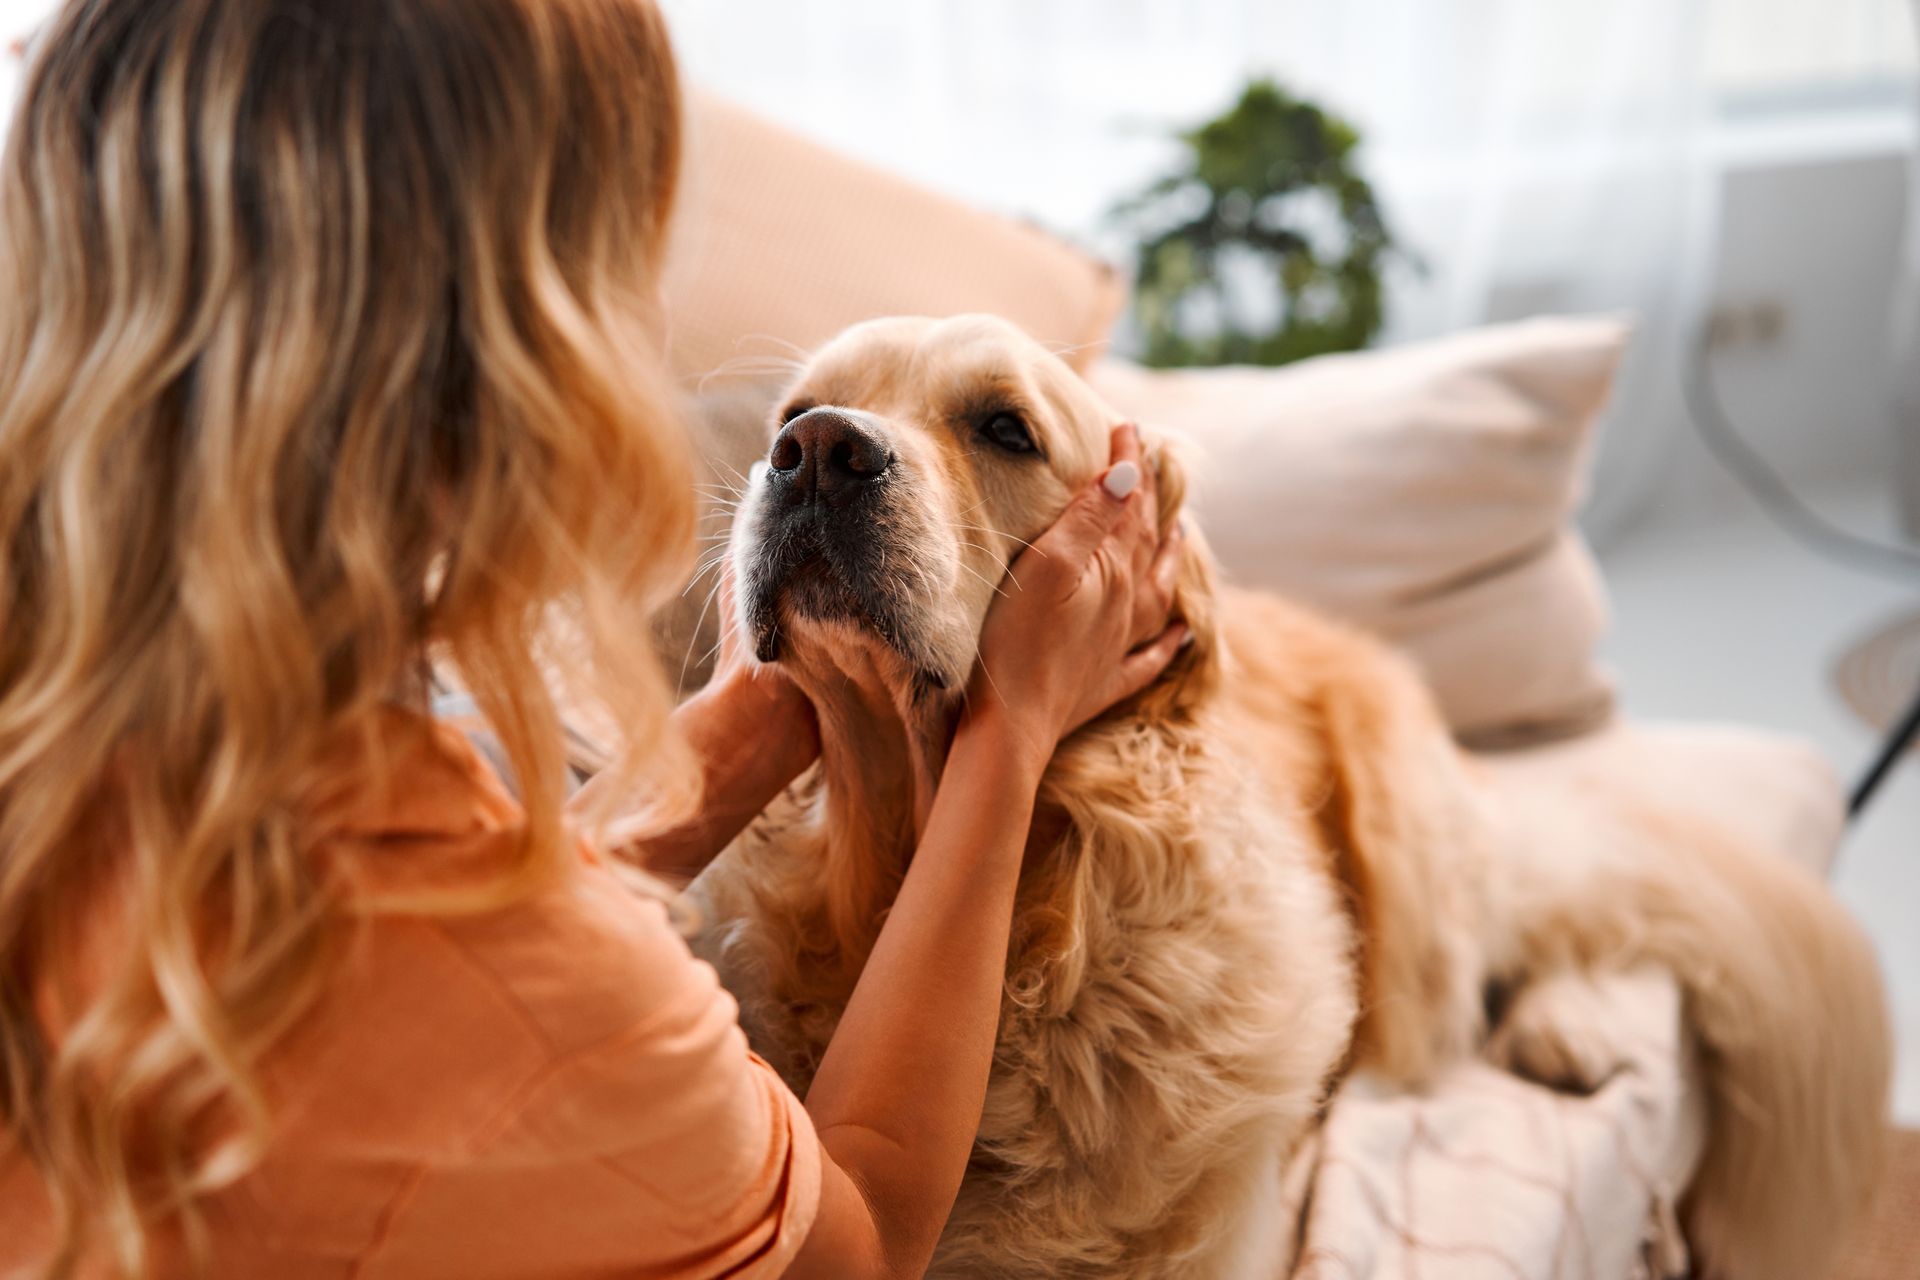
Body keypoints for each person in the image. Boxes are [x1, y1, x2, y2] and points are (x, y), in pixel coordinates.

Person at [0, 2, 1184, 1276]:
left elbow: (450, 918)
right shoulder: (559, 1020)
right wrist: (1007, 738)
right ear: (526, 358)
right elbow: (866, 1230)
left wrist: (759, 705)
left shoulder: (108, 741)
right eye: (627, 267)